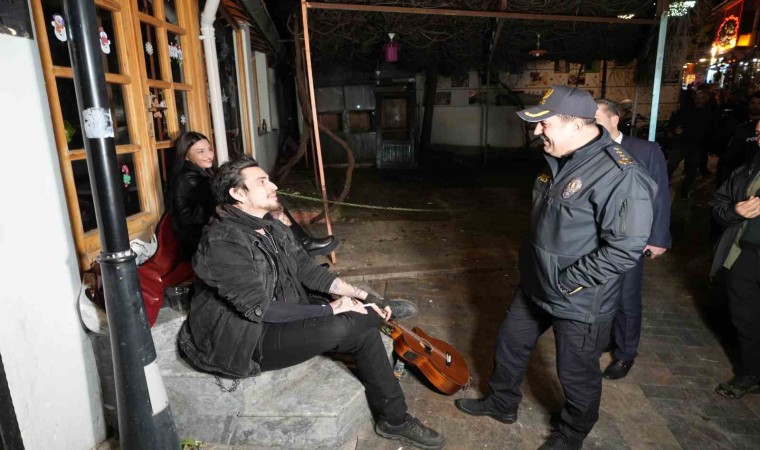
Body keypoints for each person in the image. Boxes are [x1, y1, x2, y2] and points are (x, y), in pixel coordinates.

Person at [176, 157, 438, 448]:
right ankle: (377, 318)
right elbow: (259, 307)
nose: (273, 186)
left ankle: (394, 417)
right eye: (262, 182)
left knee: (360, 324)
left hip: (284, 311)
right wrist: (330, 308)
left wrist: (364, 296)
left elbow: (307, 270)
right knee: (346, 324)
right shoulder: (223, 241)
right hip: (246, 337)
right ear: (238, 193)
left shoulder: (271, 226)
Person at [454, 86, 655, 450]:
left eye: (544, 124)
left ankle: (571, 435)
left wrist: (568, 281)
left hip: (580, 296)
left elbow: (625, 249)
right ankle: (501, 403)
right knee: (510, 344)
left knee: (576, 374)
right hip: (536, 282)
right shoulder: (559, 158)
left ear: (576, 126)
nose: (536, 132)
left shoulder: (620, 175)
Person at [165, 131, 337, 260]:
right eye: (201, 152)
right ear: (186, 155)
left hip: (211, 222)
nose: (209, 155)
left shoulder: (203, 171)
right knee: (268, 213)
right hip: (198, 234)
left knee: (272, 207)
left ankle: (302, 252)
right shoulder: (187, 178)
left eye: (210, 149)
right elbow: (191, 215)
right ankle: (302, 251)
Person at [594, 99, 672, 380]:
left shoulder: (645, 150)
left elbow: (660, 195)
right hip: (593, 238)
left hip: (629, 238)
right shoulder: (585, 149)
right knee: (599, 294)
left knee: (627, 299)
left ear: (614, 120)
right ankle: (604, 339)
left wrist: (658, 238)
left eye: (596, 119)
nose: (591, 125)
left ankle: (625, 354)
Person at [709, 120, 760, 399]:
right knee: (746, 319)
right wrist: (735, 212)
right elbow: (718, 205)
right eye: (759, 134)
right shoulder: (747, 171)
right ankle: (752, 373)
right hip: (745, 256)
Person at [667, 85, 718, 199]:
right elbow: (674, 120)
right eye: (697, 98)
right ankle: (663, 185)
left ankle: (684, 192)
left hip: (697, 144)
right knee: (671, 165)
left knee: (692, 170)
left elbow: (711, 129)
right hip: (683, 142)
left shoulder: (710, 112)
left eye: (702, 98)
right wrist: (674, 129)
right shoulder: (687, 109)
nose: (698, 100)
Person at [717, 92, 760, 187]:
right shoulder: (737, 122)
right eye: (753, 103)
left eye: (759, 103)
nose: (755, 106)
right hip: (734, 171)